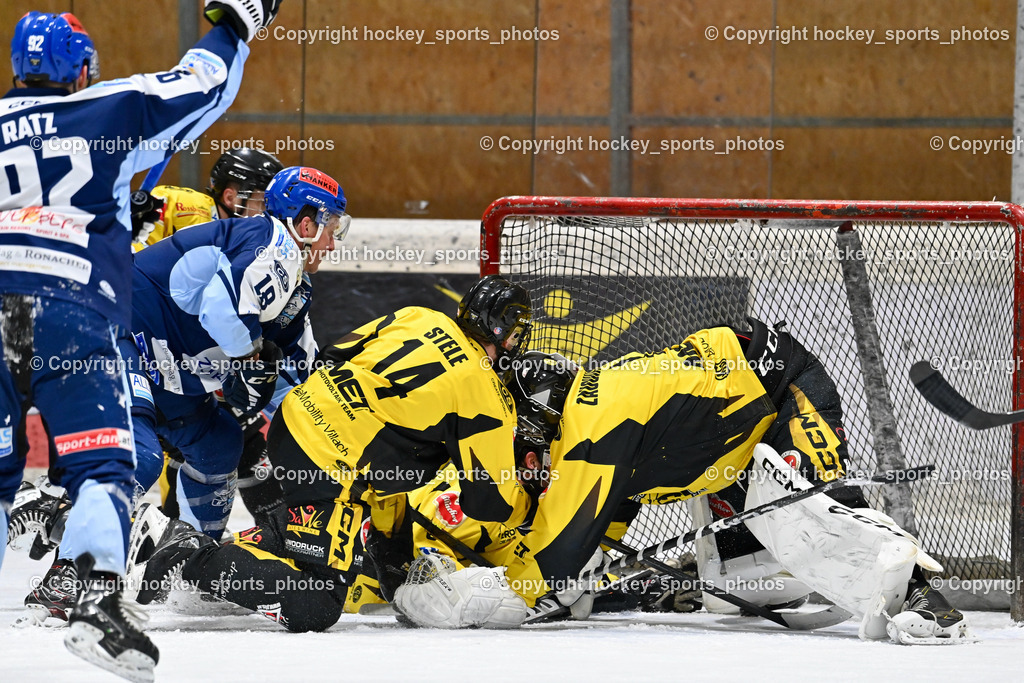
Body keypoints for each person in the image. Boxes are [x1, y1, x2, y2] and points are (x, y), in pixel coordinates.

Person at [0, 3, 281, 679]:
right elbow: (202, 80)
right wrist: (238, 21)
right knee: (108, 466)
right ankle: (98, 602)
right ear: (81, 69)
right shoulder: (108, 107)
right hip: (72, 304)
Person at [394, 323, 972, 644]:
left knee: (818, 507)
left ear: (539, 414)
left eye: (525, 439)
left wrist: (469, 600)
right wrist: (572, 587)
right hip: (727, 441)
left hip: (780, 386)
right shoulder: (596, 430)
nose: (529, 456)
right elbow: (590, 541)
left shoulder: (593, 430)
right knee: (744, 570)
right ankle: (780, 570)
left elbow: (558, 554)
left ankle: (928, 600)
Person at [125, 275, 535, 632]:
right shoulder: (487, 396)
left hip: (295, 423)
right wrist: (536, 503)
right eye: (518, 333)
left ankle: (225, 557)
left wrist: (391, 546)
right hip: (330, 464)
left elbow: (334, 358)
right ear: (504, 332)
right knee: (316, 604)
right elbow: (491, 503)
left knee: (337, 541)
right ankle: (186, 552)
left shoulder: (420, 316)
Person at [131, 147, 284, 249]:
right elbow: (133, 251)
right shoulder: (181, 204)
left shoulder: (244, 241)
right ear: (230, 198)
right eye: (263, 203)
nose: (269, 213)